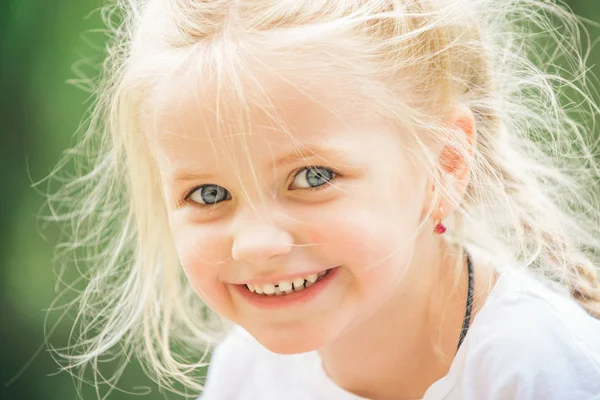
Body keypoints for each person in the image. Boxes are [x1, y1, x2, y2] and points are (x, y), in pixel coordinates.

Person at [50, 0, 600, 399]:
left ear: (444, 165)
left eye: (312, 177)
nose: (258, 245)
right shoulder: (247, 373)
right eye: (209, 193)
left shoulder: (540, 371)